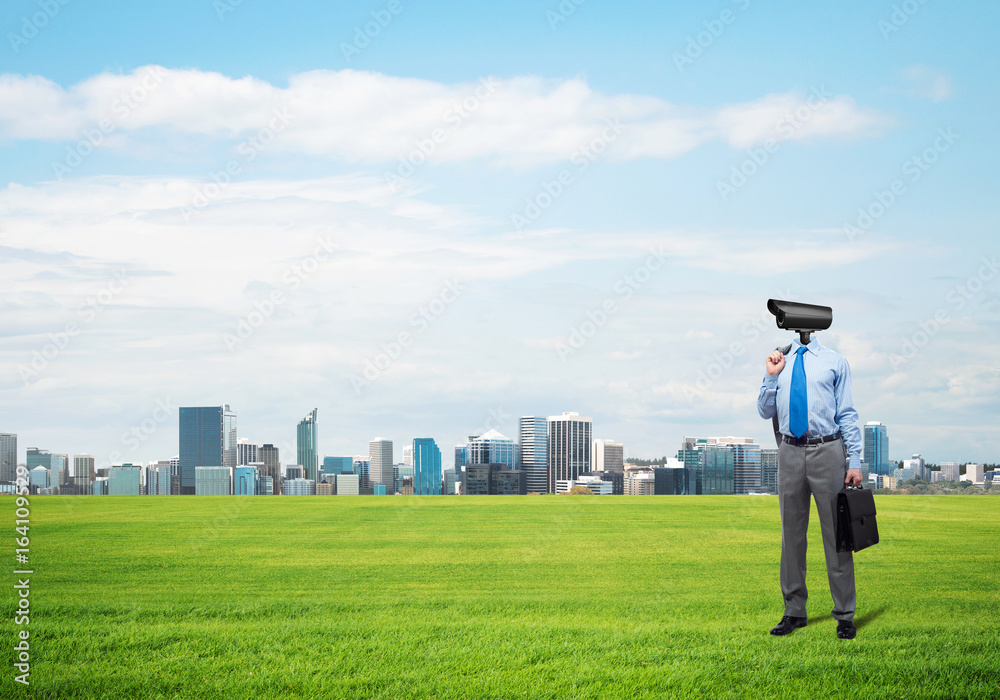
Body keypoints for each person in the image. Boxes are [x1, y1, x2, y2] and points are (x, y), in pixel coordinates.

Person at [757, 335, 863, 640]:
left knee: (837, 536)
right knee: (791, 536)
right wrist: (770, 376)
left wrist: (853, 460)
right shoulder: (780, 361)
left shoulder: (835, 361)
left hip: (827, 451)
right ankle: (794, 612)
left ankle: (844, 615)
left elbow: (846, 413)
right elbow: (765, 411)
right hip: (789, 452)